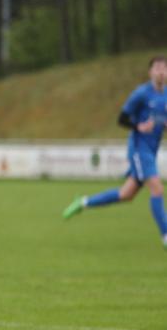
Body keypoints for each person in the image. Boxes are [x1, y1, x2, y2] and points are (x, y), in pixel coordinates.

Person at [62, 56, 167, 247]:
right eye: (157, 68)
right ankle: (166, 235)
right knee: (157, 187)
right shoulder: (141, 94)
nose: (161, 71)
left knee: (126, 194)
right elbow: (122, 119)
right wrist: (138, 126)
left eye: (164, 68)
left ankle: (83, 202)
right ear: (150, 72)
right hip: (138, 148)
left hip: (151, 150)